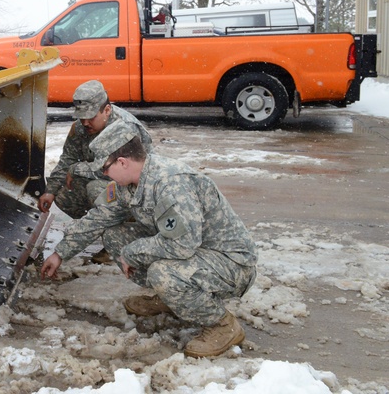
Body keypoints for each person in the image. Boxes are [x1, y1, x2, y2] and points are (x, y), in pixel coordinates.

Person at [39, 121, 258, 358]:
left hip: (231, 265)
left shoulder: (170, 183)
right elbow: (102, 216)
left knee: (161, 272)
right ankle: (175, 297)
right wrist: (60, 253)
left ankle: (222, 325)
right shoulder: (130, 183)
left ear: (122, 162)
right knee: (114, 236)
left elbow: (182, 245)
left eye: (105, 169)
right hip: (196, 251)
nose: (104, 175)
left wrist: (133, 252)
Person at [38, 80, 152, 219]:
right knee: (64, 194)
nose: (85, 123)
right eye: (82, 117)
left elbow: (120, 171)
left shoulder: (125, 127)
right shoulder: (80, 127)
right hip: (107, 180)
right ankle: (95, 222)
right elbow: (68, 158)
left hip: (136, 188)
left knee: (95, 189)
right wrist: (50, 191)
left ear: (107, 110)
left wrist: (77, 169)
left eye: (91, 117)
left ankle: (126, 226)